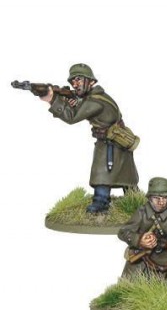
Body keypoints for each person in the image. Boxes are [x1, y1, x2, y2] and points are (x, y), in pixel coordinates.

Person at [41, 63, 139, 213]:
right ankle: (133, 198)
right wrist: (74, 102)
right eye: (73, 81)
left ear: (91, 82)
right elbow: (81, 108)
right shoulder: (94, 97)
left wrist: (52, 99)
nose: (75, 84)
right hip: (114, 141)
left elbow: (72, 117)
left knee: (102, 173)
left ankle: (101, 203)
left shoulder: (94, 101)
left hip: (113, 141)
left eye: (79, 80)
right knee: (125, 175)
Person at [118, 177, 167, 285]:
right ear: (150, 198)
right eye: (156, 198)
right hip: (141, 257)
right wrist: (139, 240)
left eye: (165, 198)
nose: (161, 202)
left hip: (165, 256)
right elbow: (123, 232)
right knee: (128, 285)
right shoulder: (142, 213)